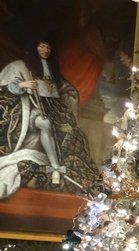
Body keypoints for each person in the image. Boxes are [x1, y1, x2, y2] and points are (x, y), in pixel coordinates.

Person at [0, 39, 100, 198]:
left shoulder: (51, 69)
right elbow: (6, 87)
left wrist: (65, 95)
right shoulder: (21, 66)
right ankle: (55, 167)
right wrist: (23, 85)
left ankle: (64, 170)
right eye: (42, 46)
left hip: (54, 108)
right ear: (34, 47)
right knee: (45, 123)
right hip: (31, 107)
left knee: (73, 133)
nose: (45, 50)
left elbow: (63, 89)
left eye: (48, 47)